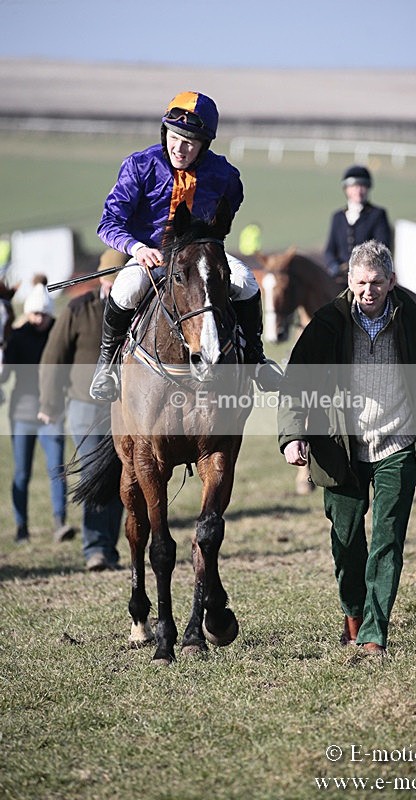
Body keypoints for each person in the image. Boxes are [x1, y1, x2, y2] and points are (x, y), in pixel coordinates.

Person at [278, 240, 416, 655]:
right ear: (350, 281)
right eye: (362, 282)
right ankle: (354, 612)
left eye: (377, 282)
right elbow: (296, 383)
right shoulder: (327, 323)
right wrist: (293, 435)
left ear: (392, 282)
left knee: (388, 541)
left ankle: (373, 633)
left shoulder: (415, 324)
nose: (369, 290)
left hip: (398, 445)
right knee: (346, 540)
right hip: (340, 449)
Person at [89, 90, 281, 401]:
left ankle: (257, 360)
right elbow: (108, 223)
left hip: (198, 258)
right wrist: (137, 248)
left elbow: (228, 210)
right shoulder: (140, 166)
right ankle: (106, 366)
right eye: (175, 137)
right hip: (150, 257)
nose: (180, 147)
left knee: (246, 281)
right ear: (165, 132)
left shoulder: (225, 176)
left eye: (190, 142)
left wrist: (208, 246)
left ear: (204, 145)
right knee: (125, 288)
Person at [39, 250, 127, 570]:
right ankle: (95, 549)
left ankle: (110, 547)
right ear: (102, 278)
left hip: (124, 408)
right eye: (113, 279)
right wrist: (49, 404)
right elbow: (53, 358)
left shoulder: (139, 308)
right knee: (94, 474)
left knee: (121, 477)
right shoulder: (79, 308)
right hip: (84, 407)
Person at [0, 276, 75, 543]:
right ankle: (21, 527)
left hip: (52, 412)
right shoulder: (18, 337)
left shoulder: (58, 334)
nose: (38, 318)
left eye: (43, 313)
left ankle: (59, 523)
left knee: (57, 469)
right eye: (33, 313)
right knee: (21, 472)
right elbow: (5, 375)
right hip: (22, 414)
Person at [324, 165, 392, 278]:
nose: (359, 190)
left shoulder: (378, 214)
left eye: (362, 186)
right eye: (354, 186)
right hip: (341, 275)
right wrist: (333, 266)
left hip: (368, 274)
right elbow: (329, 250)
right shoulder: (338, 217)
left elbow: (382, 247)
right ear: (346, 189)